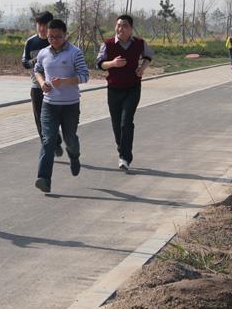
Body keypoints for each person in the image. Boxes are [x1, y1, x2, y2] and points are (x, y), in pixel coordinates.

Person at [33, 19, 89, 192]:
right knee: (48, 140)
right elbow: (37, 70)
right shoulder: (43, 53)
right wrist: (42, 83)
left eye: (58, 37)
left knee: (70, 138)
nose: (54, 40)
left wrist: (64, 81)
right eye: (50, 37)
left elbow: (85, 76)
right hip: (49, 104)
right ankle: (44, 178)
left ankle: (74, 155)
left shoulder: (75, 53)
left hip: (70, 105)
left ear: (65, 35)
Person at [96, 15, 154, 171]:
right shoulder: (108, 44)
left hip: (132, 88)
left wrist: (142, 68)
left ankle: (125, 158)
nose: (120, 29)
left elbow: (148, 56)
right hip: (114, 89)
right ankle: (122, 148)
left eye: (125, 26)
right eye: (118, 25)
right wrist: (113, 63)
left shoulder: (139, 43)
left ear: (131, 29)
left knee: (126, 122)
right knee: (116, 124)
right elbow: (100, 64)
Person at [22, 11, 63, 157]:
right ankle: (48, 146)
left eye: (45, 25)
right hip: (37, 87)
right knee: (40, 119)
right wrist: (33, 61)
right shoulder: (31, 42)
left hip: (55, 87)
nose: (42, 28)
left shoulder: (57, 41)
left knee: (54, 118)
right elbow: (24, 62)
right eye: (39, 24)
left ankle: (56, 139)